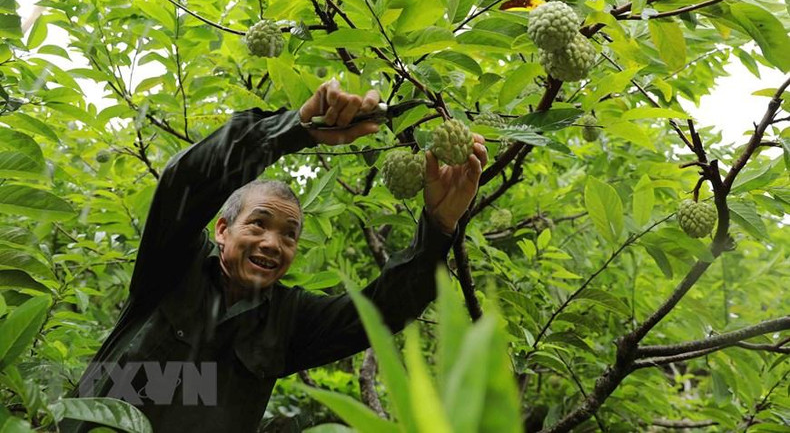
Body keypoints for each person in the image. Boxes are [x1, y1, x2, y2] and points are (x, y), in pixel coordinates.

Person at [62, 80, 487, 432]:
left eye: (289, 235)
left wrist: (440, 226)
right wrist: (294, 129)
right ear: (222, 230)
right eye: (258, 224)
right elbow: (185, 181)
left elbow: (382, 311)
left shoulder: (288, 321)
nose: (271, 243)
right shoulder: (173, 267)